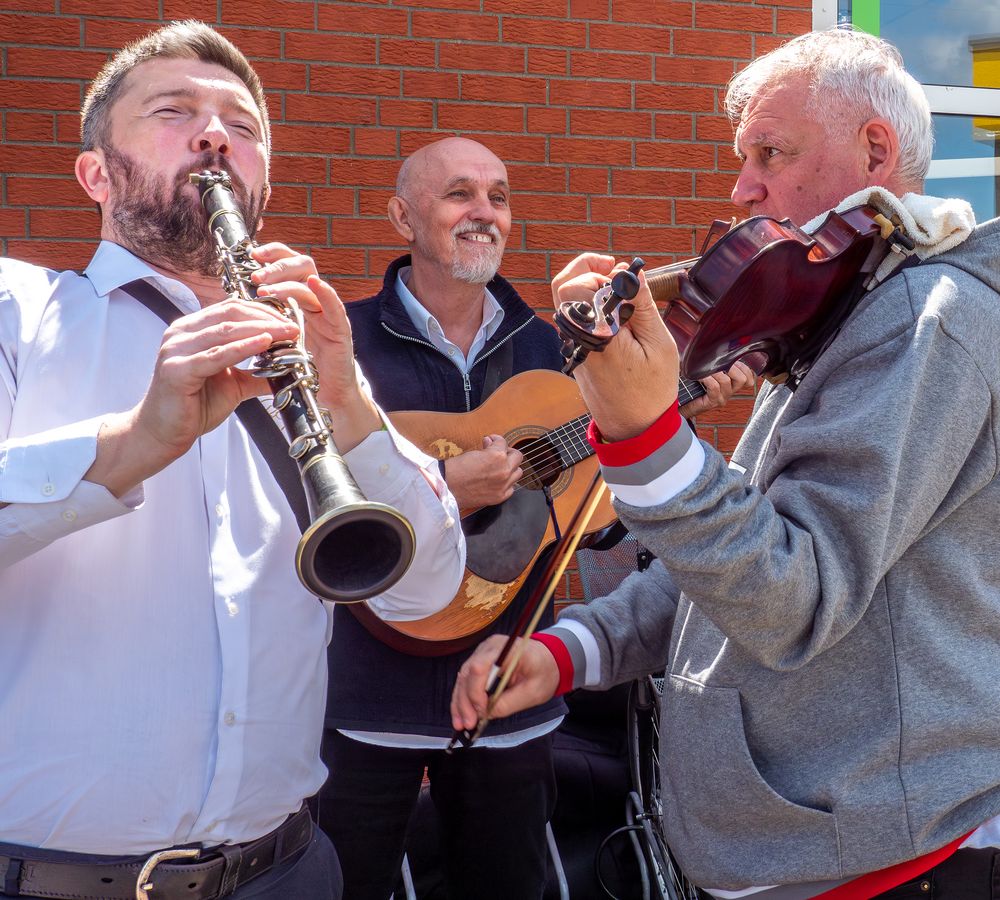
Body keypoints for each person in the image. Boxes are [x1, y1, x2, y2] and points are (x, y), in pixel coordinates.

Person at [453, 28, 1000, 900]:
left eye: (770, 154)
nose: (743, 189)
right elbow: (735, 561)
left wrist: (644, 438)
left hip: (882, 865)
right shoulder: (845, 314)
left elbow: (793, 594)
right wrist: (576, 650)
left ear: (876, 149)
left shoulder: (926, 320)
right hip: (807, 852)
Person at [0, 21, 464, 900]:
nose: (215, 135)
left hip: (284, 870)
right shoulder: (18, 312)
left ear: (261, 184)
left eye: (242, 127)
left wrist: (352, 406)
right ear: (96, 173)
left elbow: (427, 588)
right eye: (174, 112)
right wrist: (134, 445)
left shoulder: (309, 356)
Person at [318, 136, 753, 900]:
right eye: (459, 194)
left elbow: (601, 518)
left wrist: (664, 419)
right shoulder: (337, 346)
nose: (483, 211)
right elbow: (304, 502)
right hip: (367, 692)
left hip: (512, 692)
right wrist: (444, 484)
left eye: (499, 195)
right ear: (401, 216)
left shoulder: (559, 348)